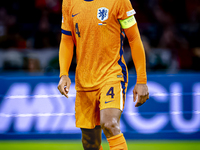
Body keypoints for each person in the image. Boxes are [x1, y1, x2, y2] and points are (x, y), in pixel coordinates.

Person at [58, 0, 149, 149]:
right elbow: (67, 39)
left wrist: (142, 80)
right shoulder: (69, 2)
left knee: (110, 124)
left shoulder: (119, 1)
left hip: (112, 74)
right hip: (84, 79)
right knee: (90, 143)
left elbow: (134, 39)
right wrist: (64, 74)